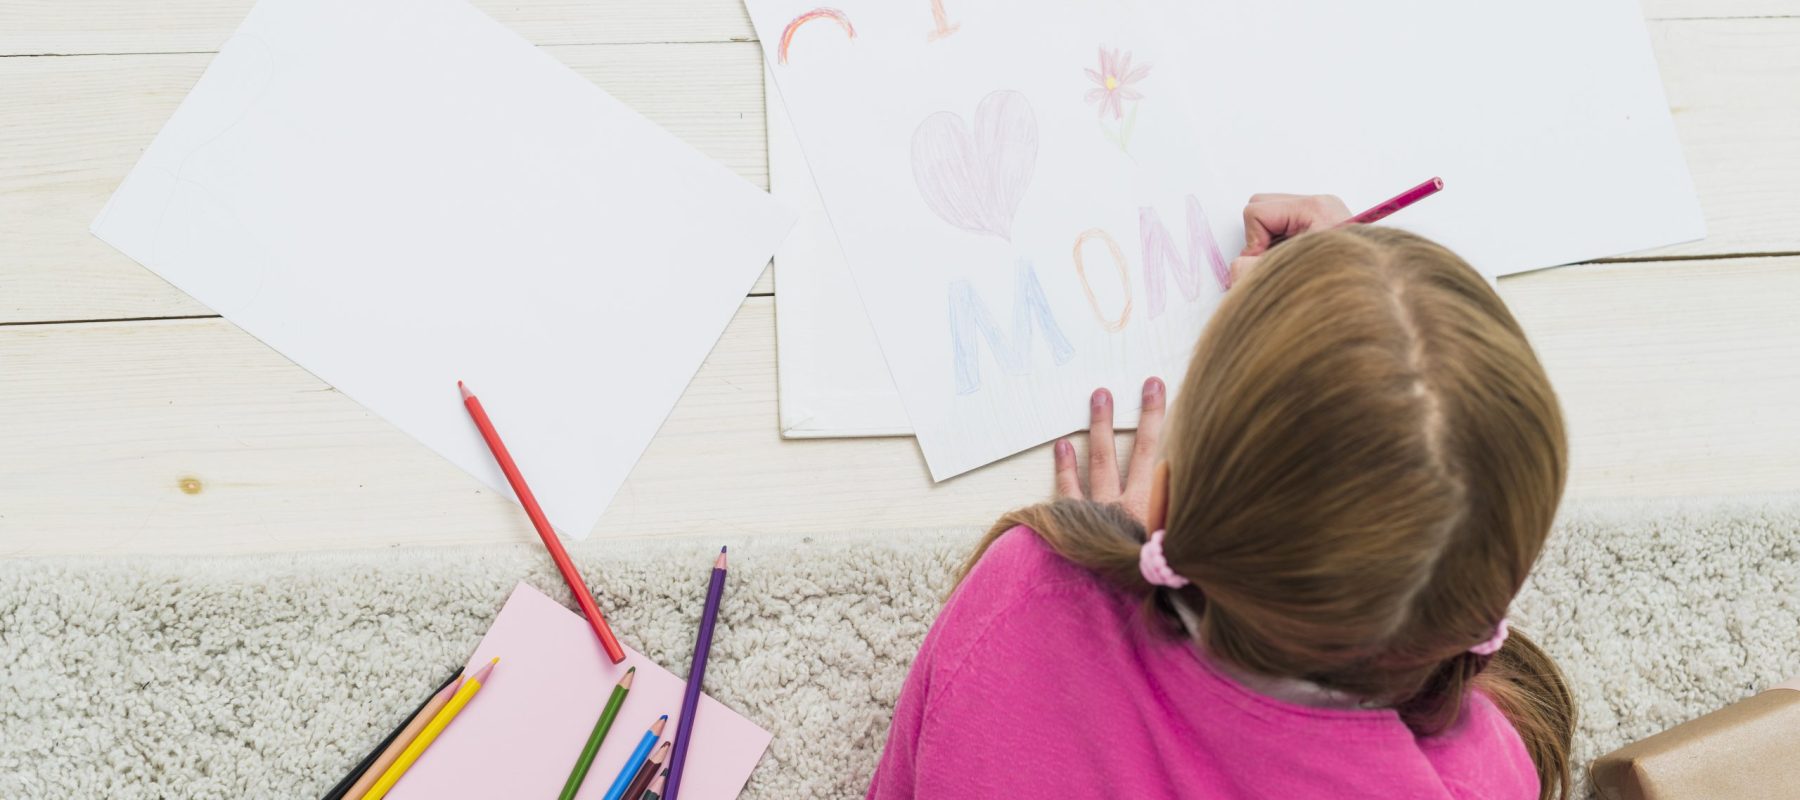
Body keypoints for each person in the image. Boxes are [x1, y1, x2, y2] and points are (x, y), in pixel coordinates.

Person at [867, 195, 1576, 799]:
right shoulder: (1482, 774)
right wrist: (1352, 335)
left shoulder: (1028, 592)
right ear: (1491, 608)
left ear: (1162, 507)